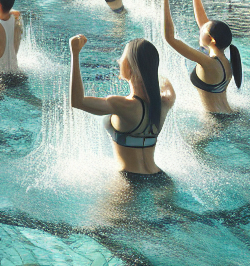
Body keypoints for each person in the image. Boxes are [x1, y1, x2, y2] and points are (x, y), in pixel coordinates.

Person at [69, 34, 175, 179]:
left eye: (122, 58)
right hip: (161, 178)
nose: (119, 61)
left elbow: (77, 101)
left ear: (129, 67)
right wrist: (148, 70)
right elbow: (164, 84)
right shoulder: (165, 102)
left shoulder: (122, 105)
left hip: (130, 181)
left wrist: (75, 54)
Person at [162, 0, 241, 115]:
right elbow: (204, 25)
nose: (200, 30)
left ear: (211, 40)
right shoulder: (224, 57)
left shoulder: (208, 63)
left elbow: (170, 38)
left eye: (203, 32)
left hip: (214, 122)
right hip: (227, 114)